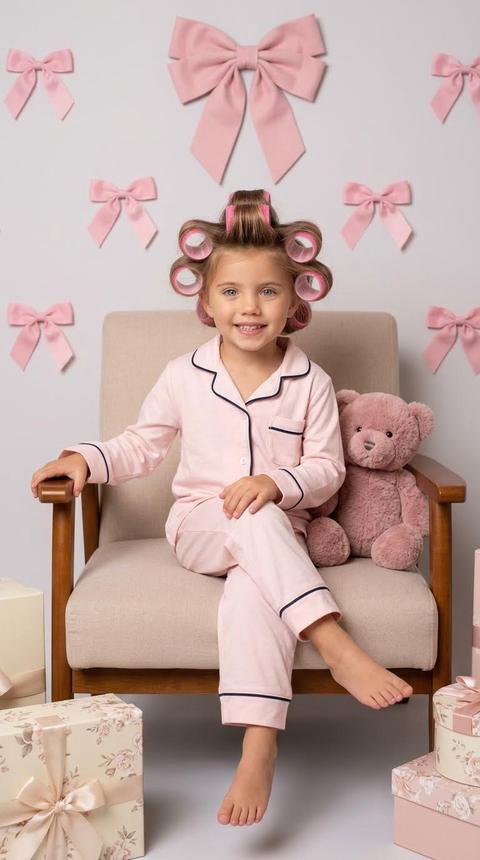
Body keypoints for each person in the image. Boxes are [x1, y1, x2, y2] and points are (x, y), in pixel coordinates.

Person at [31, 189, 413, 828]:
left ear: (295, 302)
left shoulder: (311, 381)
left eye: (267, 292)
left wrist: (278, 482)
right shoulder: (184, 375)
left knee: (251, 591)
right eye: (232, 292)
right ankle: (332, 640)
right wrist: (85, 459)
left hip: (279, 534)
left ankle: (258, 743)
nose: (249, 307)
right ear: (206, 302)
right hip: (200, 527)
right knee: (246, 524)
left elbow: (326, 471)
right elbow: (141, 446)